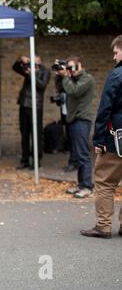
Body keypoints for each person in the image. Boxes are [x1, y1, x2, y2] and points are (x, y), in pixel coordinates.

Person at [81, 35, 122, 239]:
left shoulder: (116, 75)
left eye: (116, 52)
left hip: (116, 140)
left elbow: (105, 109)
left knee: (105, 182)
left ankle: (103, 226)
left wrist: (99, 140)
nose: (114, 57)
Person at [56, 56, 96, 198]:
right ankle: (81, 184)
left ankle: (87, 186)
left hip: (81, 120)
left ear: (79, 66)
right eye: (68, 68)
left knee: (83, 154)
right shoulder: (71, 79)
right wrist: (60, 74)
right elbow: (62, 89)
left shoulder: (87, 79)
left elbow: (74, 91)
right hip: (72, 119)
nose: (70, 71)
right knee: (77, 154)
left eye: (72, 67)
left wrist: (66, 77)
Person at [12, 55, 50, 170]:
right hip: (24, 104)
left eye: (35, 61)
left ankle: (36, 160)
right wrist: (20, 59)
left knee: (36, 134)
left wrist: (32, 74)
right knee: (24, 133)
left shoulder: (45, 72)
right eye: (31, 61)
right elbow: (15, 68)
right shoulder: (27, 69)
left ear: (39, 61)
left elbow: (42, 86)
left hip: (36, 106)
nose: (32, 63)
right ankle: (25, 160)